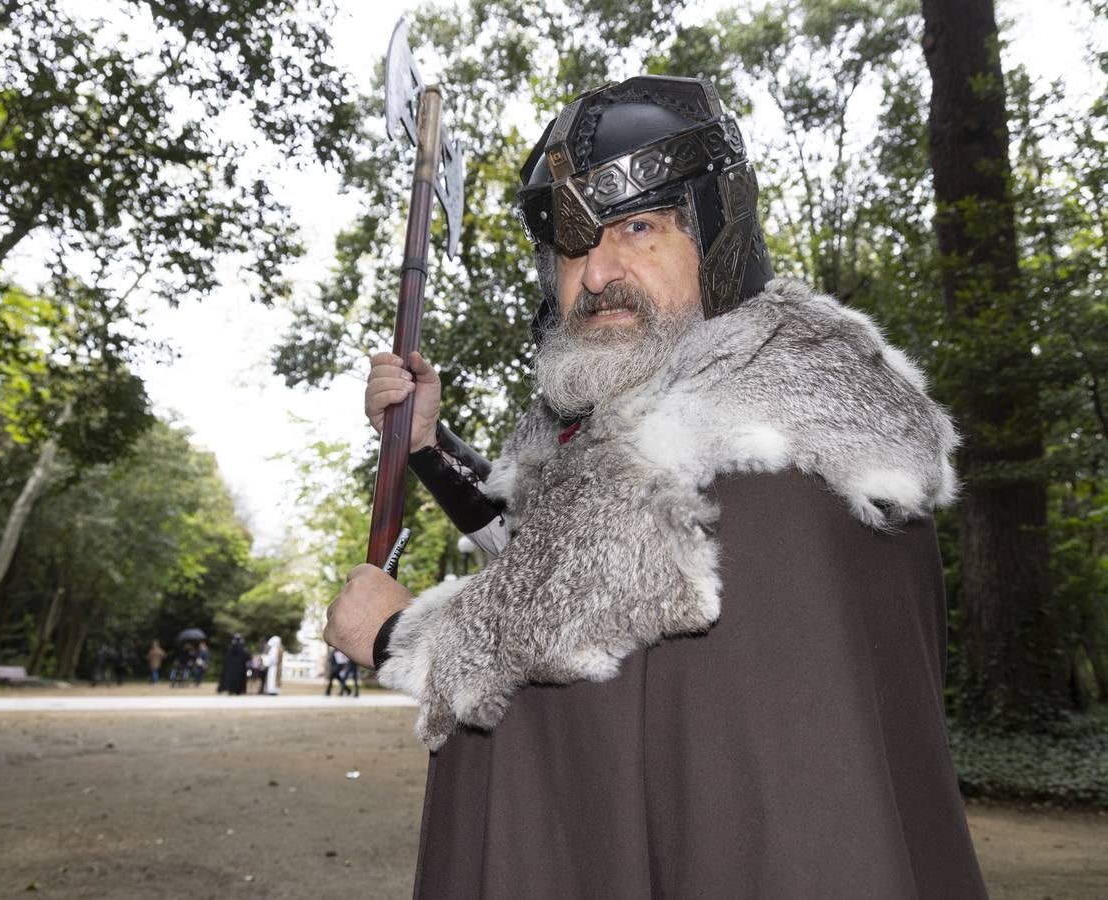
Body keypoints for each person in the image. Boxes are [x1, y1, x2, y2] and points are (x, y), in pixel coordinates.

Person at [325, 75, 987, 897]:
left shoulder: (768, 465)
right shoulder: (725, 425)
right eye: (572, 247)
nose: (598, 272)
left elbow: (580, 631)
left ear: (719, 236)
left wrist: (401, 637)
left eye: (639, 227)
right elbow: (556, 544)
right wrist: (428, 448)